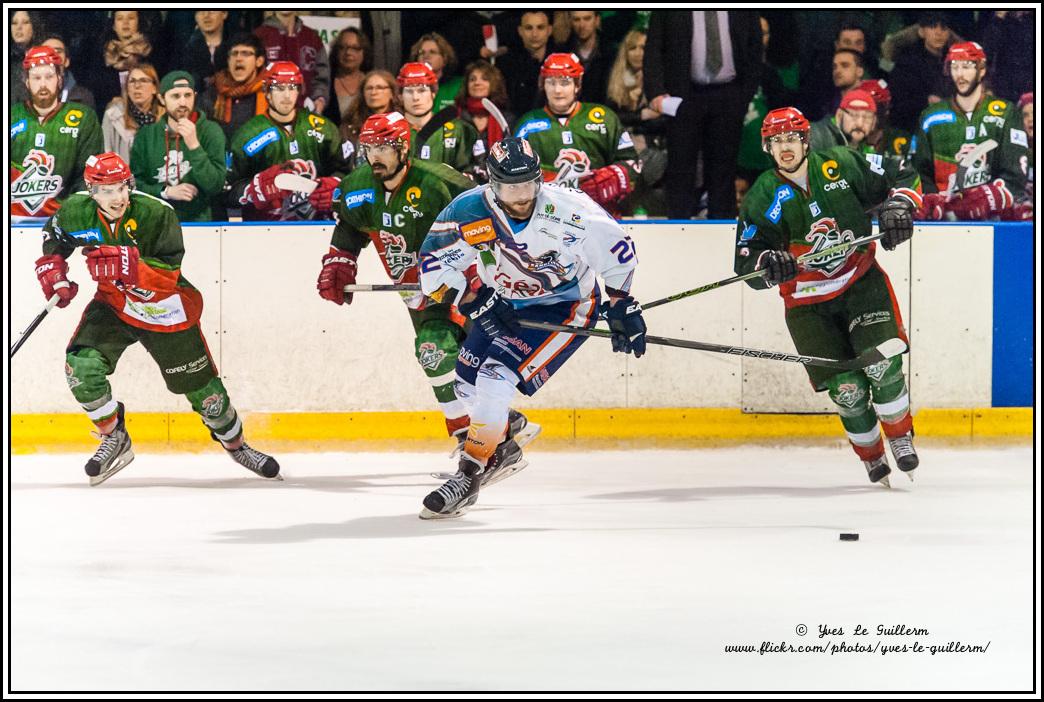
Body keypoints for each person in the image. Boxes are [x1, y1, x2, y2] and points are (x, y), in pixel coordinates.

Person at [417, 136, 646, 519]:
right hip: (504, 304)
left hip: (565, 307)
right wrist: (474, 298)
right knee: (465, 386)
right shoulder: (468, 212)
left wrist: (622, 303)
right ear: (493, 184)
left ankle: (469, 475)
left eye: (528, 186)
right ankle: (504, 438)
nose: (521, 197)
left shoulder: (569, 210)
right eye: (511, 188)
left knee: (494, 377)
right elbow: (431, 268)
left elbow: (618, 251)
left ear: (540, 179)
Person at [34, 152, 280, 485]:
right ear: (91, 191)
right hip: (114, 305)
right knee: (81, 369)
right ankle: (113, 436)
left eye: (121, 188)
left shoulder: (157, 213)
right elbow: (56, 234)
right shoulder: (77, 210)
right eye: (106, 191)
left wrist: (129, 263)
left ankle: (236, 445)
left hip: (165, 310)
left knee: (205, 394)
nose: (117, 198)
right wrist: (53, 268)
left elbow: (170, 272)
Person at [317, 112, 536, 449]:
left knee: (439, 352)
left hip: (462, 284)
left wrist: (484, 264)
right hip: (414, 291)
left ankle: (476, 437)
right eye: (369, 148)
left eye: (383, 148)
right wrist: (340, 260)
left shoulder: (439, 182)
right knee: (446, 359)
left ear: (403, 147)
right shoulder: (358, 187)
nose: (375, 156)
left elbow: (491, 211)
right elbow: (350, 225)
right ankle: (501, 423)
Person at [734, 107, 922, 487]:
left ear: (806, 140)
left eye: (791, 138)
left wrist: (900, 205)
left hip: (861, 285)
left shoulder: (841, 164)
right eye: (776, 141)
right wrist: (769, 264)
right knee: (847, 389)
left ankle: (900, 437)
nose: (785, 147)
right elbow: (746, 262)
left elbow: (903, 172)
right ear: (767, 147)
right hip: (808, 306)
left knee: (882, 366)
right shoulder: (761, 196)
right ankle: (871, 456)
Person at [644, 10, 763, 219]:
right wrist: (655, 91)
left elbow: (755, 46)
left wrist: (744, 95)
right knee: (680, 168)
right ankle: (678, 229)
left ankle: (722, 230)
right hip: (683, 95)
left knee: (723, 171)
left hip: (729, 94)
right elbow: (654, 46)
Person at [911, 42, 1032, 221]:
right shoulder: (931, 116)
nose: (960, 74)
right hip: (942, 222)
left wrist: (990, 197)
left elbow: (1016, 174)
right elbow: (917, 170)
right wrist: (929, 200)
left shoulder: (1006, 112)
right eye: (955, 67)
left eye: (966, 66)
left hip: (993, 221)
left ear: (981, 70)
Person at [514, 53, 642, 217]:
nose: (557, 90)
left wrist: (613, 176)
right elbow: (513, 175)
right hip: (547, 216)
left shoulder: (603, 118)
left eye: (565, 82)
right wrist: (547, 181)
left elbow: (632, 163)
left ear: (577, 85)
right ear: (543, 85)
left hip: (599, 214)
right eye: (551, 82)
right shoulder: (527, 124)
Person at [228, 61, 353, 221]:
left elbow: (349, 173)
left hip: (318, 227)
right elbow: (227, 191)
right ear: (266, 91)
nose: (287, 95)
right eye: (279, 88)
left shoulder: (323, 128)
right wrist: (252, 190)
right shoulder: (247, 135)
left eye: (292, 87)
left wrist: (336, 186)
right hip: (263, 229)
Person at [11, 46, 103, 222]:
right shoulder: (11, 116)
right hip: (12, 221)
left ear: (60, 79)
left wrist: (72, 216)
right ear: (27, 81)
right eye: (36, 78)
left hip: (63, 220)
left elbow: (89, 175)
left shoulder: (83, 118)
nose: (43, 84)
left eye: (49, 77)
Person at [130, 71, 227, 222]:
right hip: (156, 222)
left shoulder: (211, 131)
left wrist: (194, 146)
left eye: (188, 95)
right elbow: (133, 185)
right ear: (161, 99)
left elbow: (215, 186)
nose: (183, 102)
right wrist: (165, 191)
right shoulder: (146, 136)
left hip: (201, 223)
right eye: (175, 96)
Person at [397, 62, 482, 174]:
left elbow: (476, 169)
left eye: (422, 90)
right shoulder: (390, 133)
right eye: (409, 91)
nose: (415, 97)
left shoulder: (459, 130)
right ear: (400, 96)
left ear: (433, 93)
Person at [887, 12, 955, 134]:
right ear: (922, 32)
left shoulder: (955, 61)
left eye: (944, 28)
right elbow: (898, 100)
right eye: (932, 27)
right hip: (911, 128)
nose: (938, 32)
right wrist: (925, 101)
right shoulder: (907, 61)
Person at [254, 11, 330, 115]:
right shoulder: (260, 36)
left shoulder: (312, 37)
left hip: (306, 112)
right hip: (269, 112)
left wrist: (319, 99)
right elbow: (254, 78)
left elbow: (322, 75)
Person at [201, 32, 268, 142]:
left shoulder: (270, 93)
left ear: (259, 61)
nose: (238, 58)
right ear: (228, 61)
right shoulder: (212, 94)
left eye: (245, 53)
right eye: (234, 53)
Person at [454, 60, 514, 179]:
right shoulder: (456, 117)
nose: (477, 83)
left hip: (498, 182)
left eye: (485, 79)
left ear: (494, 84)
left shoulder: (506, 119)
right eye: (472, 79)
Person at [497, 10, 561, 117]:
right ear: (520, 31)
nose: (534, 34)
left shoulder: (562, 60)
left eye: (540, 27)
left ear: (549, 30)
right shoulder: (505, 64)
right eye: (529, 28)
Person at [102, 63, 163, 164]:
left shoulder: (165, 118)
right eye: (132, 81)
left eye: (143, 80)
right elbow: (106, 154)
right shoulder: (113, 116)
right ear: (127, 89)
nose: (137, 86)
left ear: (154, 88)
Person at [338, 69, 402, 155]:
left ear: (392, 93)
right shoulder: (349, 127)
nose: (373, 92)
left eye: (379, 88)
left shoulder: (402, 125)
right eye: (369, 88)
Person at [323, 27, 371, 127]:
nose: (348, 52)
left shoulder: (372, 82)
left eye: (355, 48)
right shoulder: (325, 83)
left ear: (364, 52)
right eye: (342, 47)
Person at [564, 11, 613, 105]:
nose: (582, 25)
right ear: (570, 21)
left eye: (587, 19)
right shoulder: (562, 54)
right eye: (576, 20)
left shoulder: (611, 53)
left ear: (597, 20)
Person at [408, 32, 461, 114]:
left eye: (432, 52)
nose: (426, 56)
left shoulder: (459, 85)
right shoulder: (408, 87)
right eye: (422, 53)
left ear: (445, 58)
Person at [41, 33, 96, 110]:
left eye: (57, 51)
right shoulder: (25, 95)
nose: (52, 56)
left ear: (66, 61)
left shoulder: (83, 98)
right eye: (46, 51)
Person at [184, 10, 230, 89]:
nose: (206, 15)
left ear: (224, 13)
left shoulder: (237, 45)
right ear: (195, 17)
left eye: (211, 11)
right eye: (200, 11)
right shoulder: (186, 49)